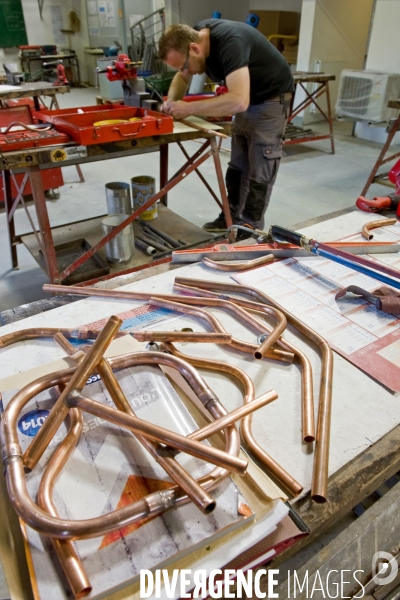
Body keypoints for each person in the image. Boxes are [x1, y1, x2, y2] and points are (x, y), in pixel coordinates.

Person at [158, 19, 294, 239]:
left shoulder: (231, 43)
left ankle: (249, 230)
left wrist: (189, 108)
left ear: (194, 48)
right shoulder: (196, 36)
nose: (185, 71)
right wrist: (172, 103)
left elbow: (239, 100)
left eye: (184, 65)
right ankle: (231, 218)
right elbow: (182, 77)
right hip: (248, 98)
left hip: (270, 98)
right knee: (238, 167)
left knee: (260, 171)